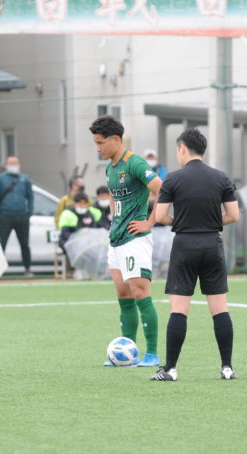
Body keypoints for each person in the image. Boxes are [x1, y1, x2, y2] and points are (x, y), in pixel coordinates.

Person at [151, 128, 240, 382]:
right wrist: (211, 222)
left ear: (182, 149)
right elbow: (234, 215)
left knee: (179, 311)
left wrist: (181, 222)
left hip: (184, 245)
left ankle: (170, 369)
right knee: (220, 310)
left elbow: (160, 217)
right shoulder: (221, 177)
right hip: (213, 244)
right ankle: (227, 368)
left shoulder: (172, 179)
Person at [90, 115, 163, 368]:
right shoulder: (111, 167)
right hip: (117, 239)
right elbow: (113, 195)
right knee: (123, 294)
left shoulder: (134, 163)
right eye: (95, 144)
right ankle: (128, 350)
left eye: (100, 143)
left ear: (115, 140)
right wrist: (113, 219)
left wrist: (150, 222)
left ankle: (152, 354)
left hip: (135, 239)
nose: (98, 148)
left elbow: (161, 190)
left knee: (140, 293)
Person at [0, 156, 34, 277]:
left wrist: (29, 212)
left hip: (22, 215)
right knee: (2, 243)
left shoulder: (25, 179)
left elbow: (30, 196)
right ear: (6, 165)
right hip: (5, 215)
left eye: (15, 163)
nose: (13, 165)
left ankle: (27, 268)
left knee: (24, 243)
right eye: (11, 163)